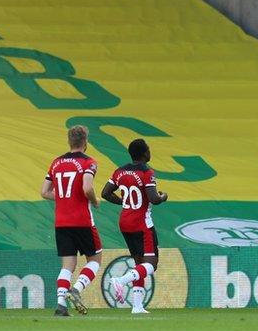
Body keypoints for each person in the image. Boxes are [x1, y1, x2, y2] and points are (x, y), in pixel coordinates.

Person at [41, 125, 102, 316]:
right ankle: (76, 289)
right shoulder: (89, 162)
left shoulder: (56, 163)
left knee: (67, 265)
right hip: (82, 220)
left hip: (61, 222)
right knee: (95, 259)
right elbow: (87, 188)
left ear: (69, 141)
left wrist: (64, 197)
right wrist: (95, 200)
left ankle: (61, 305)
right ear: (85, 142)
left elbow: (44, 192)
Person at [101, 139, 168, 314]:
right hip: (142, 224)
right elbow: (153, 199)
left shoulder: (120, 171)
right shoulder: (147, 173)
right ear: (145, 153)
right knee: (151, 264)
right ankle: (121, 281)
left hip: (125, 221)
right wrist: (163, 196)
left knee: (139, 263)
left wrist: (124, 201)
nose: (149, 152)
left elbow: (105, 193)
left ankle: (137, 306)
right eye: (148, 149)